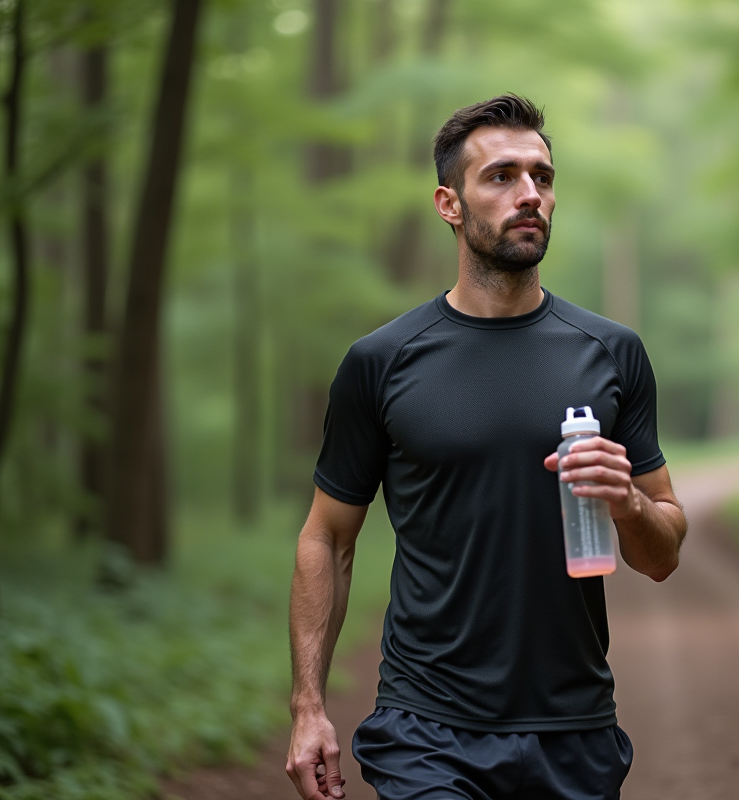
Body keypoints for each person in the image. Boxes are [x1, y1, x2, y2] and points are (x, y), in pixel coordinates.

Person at [285, 94, 687, 800]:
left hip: (575, 727)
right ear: (449, 203)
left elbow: (663, 553)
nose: (529, 193)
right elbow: (327, 538)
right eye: (501, 176)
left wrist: (627, 503)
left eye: (542, 176)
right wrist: (308, 707)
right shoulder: (381, 361)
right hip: (426, 730)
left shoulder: (612, 353)